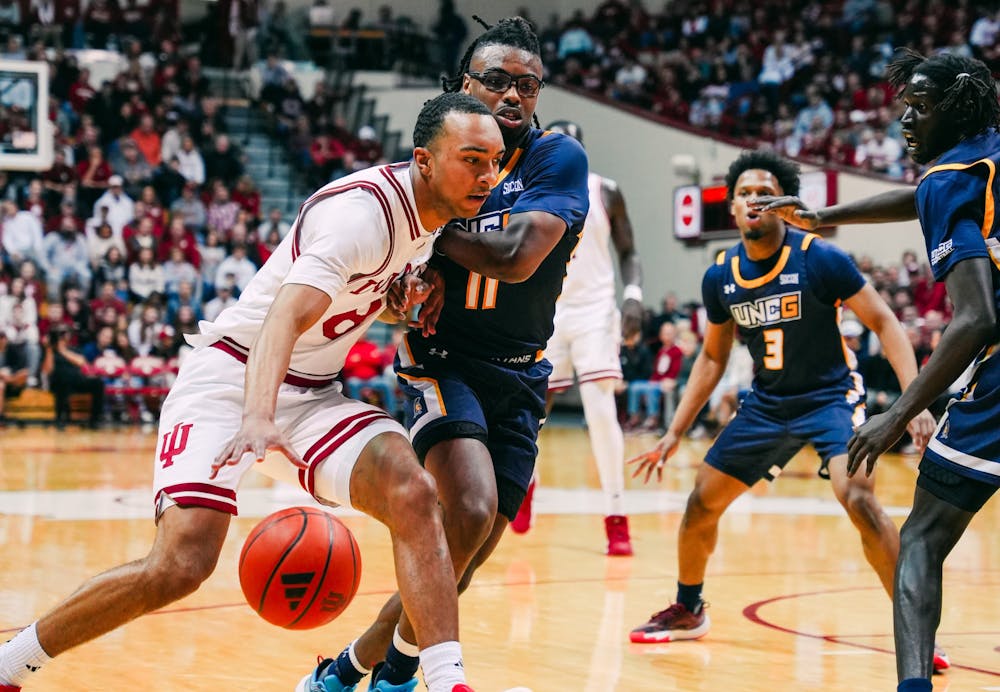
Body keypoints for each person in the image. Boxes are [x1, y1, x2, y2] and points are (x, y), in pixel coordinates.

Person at [0, 92, 507, 692]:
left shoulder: (431, 221)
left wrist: (398, 301)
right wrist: (257, 415)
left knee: (413, 491)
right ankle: (10, 665)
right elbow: (283, 319)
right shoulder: (361, 216)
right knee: (180, 566)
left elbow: (350, 301)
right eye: (473, 159)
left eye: (496, 161)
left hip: (314, 394)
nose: (488, 175)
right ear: (424, 160)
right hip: (232, 379)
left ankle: (449, 682)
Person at [309, 16, 590, 691]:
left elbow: (518, 258)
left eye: (527, 85)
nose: (513, 96)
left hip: (523, 374)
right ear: (462, 85)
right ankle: (409, 674)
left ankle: (354, 669)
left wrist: (431, 236)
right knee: (462, 510)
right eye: (496, 81)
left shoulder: (556, 158)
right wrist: (404, 287)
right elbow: (386, 276)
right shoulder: (432, 162)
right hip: (444, 359)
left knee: (463, 554)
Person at [626, 151, 940, 661]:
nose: (754, 199)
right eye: (745, 192)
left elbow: (885, 322)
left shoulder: (819, 257)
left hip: (832, 397)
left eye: (765, 191)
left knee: (857, 497)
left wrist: (913, 401)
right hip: (768, 404)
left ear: (784, 204)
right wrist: (673, 433)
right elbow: (711, 357)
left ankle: (917, 629)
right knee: (700, 503)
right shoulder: (720, 275)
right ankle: (689, 608)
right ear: (731, 207)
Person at [765, 50, 999, 692]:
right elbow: (928, 192)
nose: (903, 118)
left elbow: (976, 320)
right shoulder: (985, 154)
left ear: (953, 111)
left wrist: (897, 413)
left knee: (921, 539)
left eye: (919, 107)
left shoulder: (949, 178)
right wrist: (826, 217)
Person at [509, 119, 643, 555]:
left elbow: (629, 251)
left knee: (601, 408)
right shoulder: (528, 188)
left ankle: (616, 515)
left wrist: (634, 296)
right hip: (545, 309)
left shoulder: (605, 190)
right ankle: (526, 482)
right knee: (533, 410)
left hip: (594, 310)